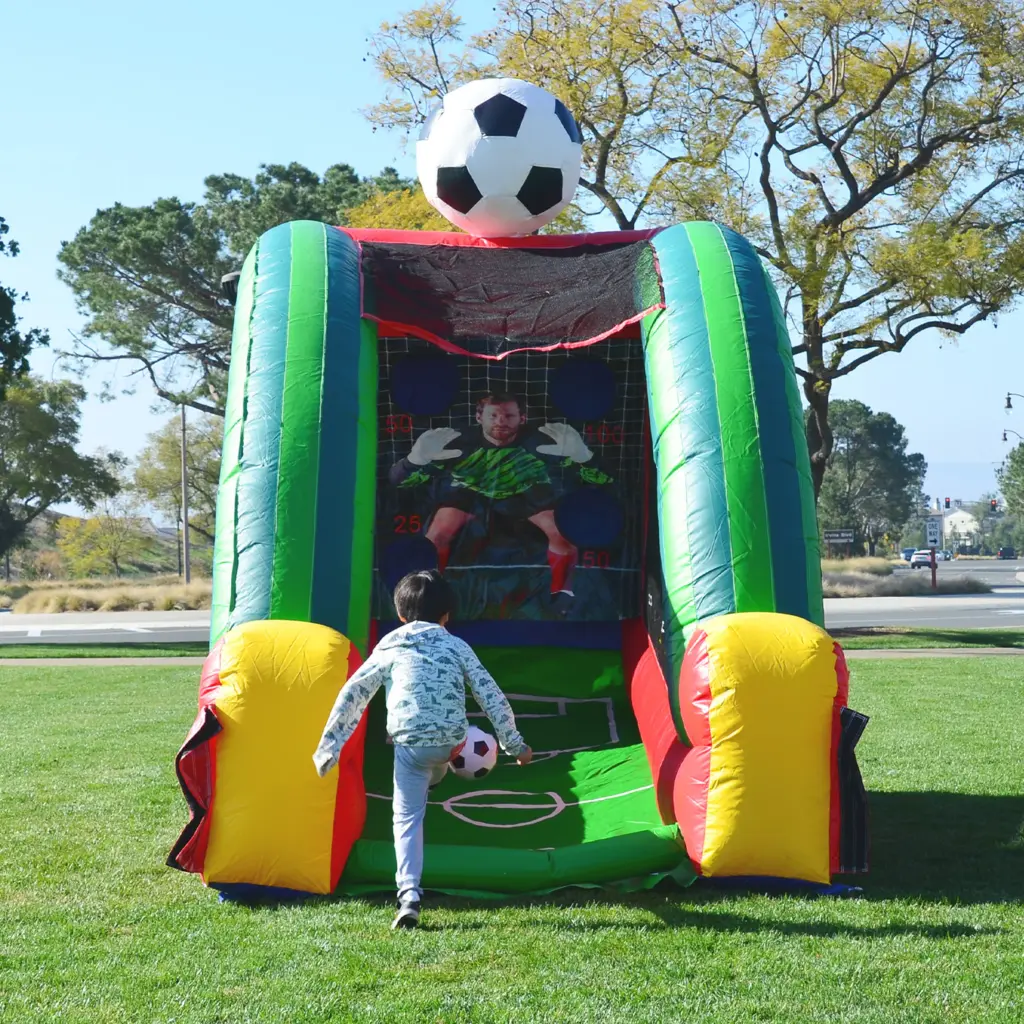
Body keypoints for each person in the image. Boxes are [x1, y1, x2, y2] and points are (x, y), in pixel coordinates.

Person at [312, 569, 532, 930]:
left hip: (410, 745)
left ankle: (409, 896)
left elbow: (354, 692)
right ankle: (440, 772)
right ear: (447, 616)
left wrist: (329, 748)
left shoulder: (390, 644)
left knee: (408, 817)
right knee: (445, 751)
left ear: (400, 615)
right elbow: (489, 694)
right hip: (452, 741)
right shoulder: (456, 645)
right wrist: (515, 745)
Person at [389, 392, 612, 608]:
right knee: (437, 534)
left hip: (525, 493)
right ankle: (430, 597)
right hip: (469, 493)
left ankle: (562, 594)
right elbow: (401, 482)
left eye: (509, 416)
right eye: (493, 416)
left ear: (522, 418)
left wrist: (584, 456)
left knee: (562, 535)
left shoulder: (541, 443)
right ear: (479, 418)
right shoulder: (457, 445)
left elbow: (604, 479)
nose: (500, 422)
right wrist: (413, 460)